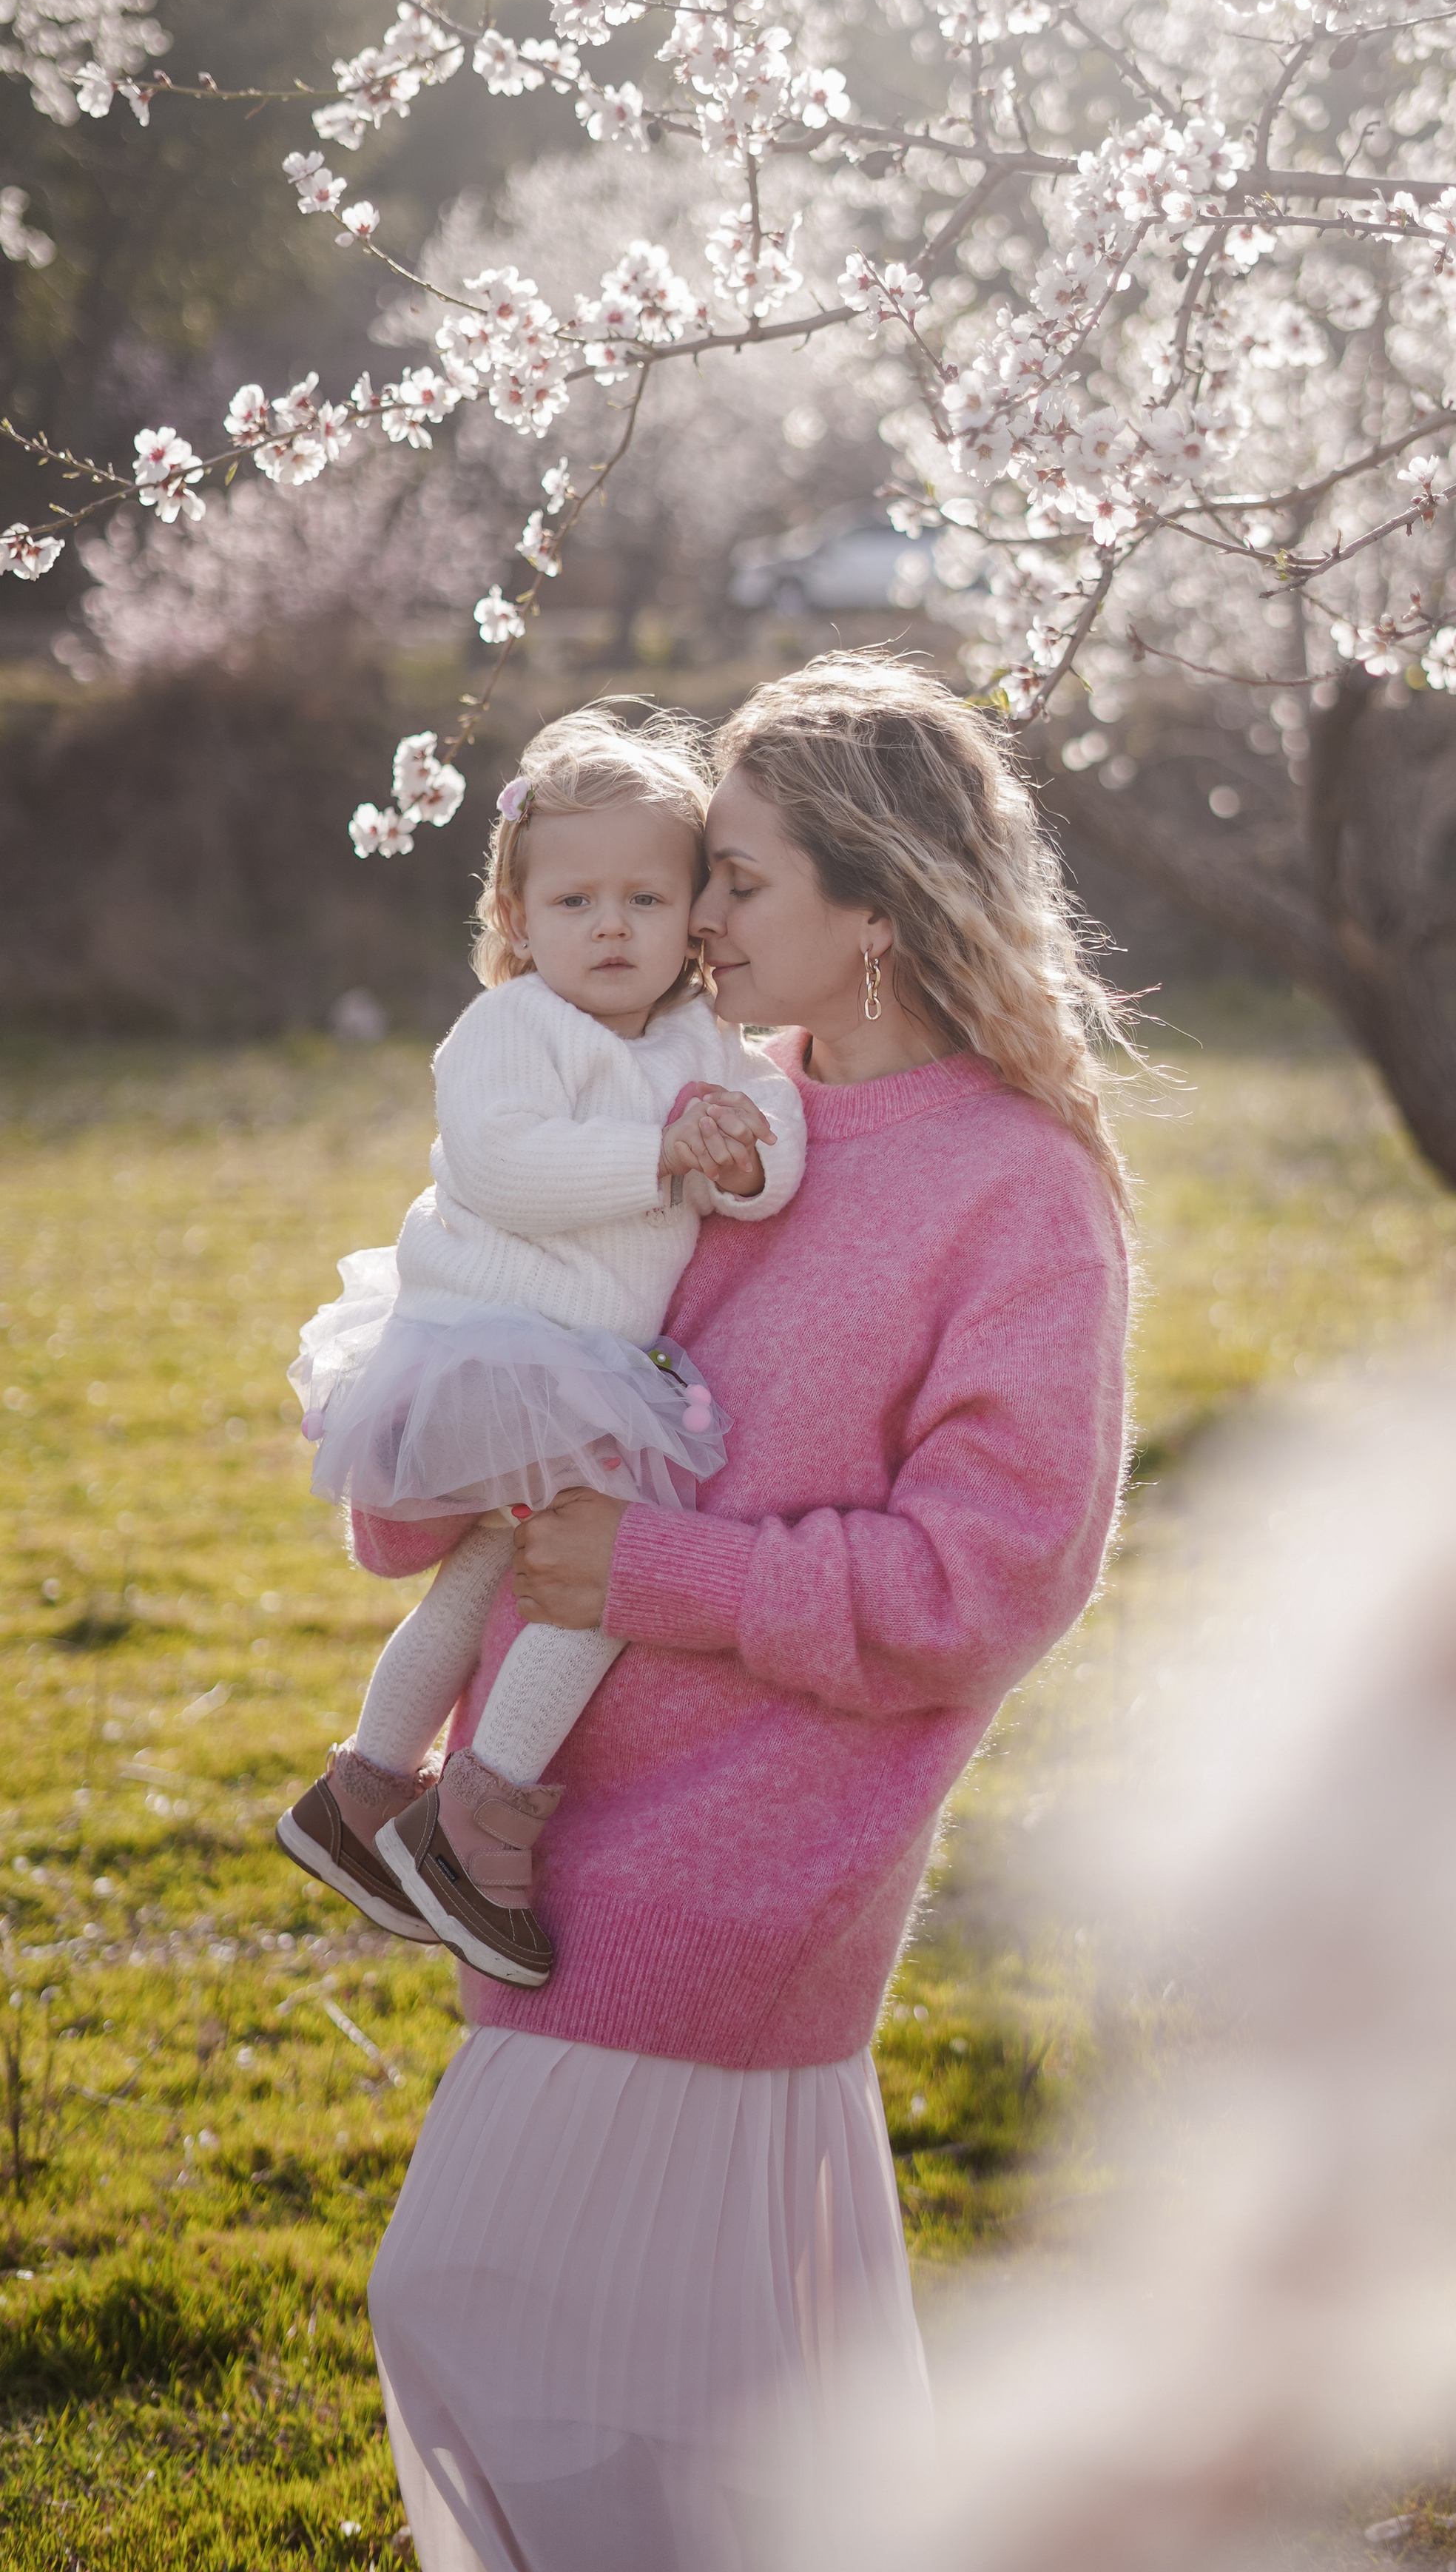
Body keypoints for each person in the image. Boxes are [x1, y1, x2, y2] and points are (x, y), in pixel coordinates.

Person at [362, 658, 1134, 2572]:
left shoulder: (1016, 1195)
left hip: (750, 1866)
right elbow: (517, 1366)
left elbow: (988, 1586)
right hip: (541, 1832)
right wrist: (428, 1470)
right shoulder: (711, 1116)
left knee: (550, 2372)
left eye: (744, 880)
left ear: (877, 913)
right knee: (704, 2428)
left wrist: (651, 1575)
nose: (693, 916)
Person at [277, 706, 804, 1990]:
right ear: (518, 919)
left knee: (508, 1557)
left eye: (644, 895)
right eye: (575, 901)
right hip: (487, 1340)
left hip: (581, 1363)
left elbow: (769, 1123)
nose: (611, 926)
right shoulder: (509, 1029)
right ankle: (481, 1813)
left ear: (694, 915)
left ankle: (363, 1793)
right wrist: (656, 1156)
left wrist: (748, 1160)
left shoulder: (698, 1043)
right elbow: (507, 1166)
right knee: (611, 1561)